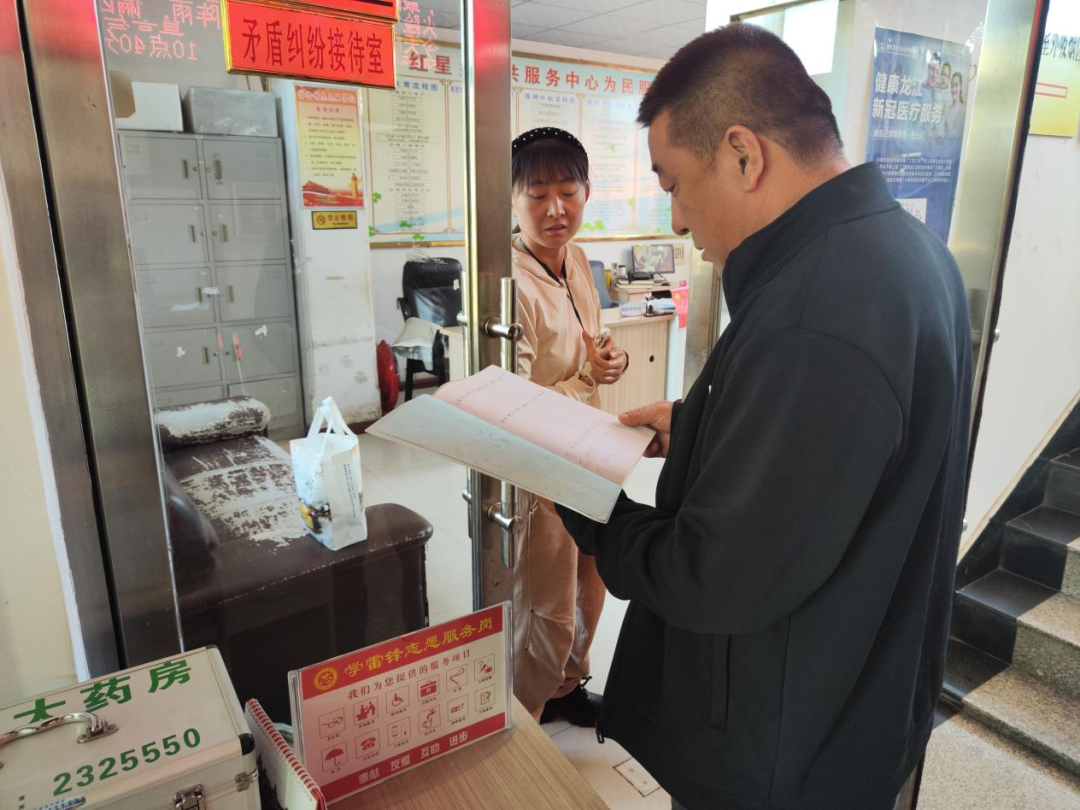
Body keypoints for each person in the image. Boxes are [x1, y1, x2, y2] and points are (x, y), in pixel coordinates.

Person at [555, 24, 971, 809]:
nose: (678, 222)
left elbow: (713, 577)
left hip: (783, 751)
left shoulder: (819, 310)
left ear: (744, 156)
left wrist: (590, 507)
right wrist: (704, 426)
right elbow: (845, 462)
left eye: (675, 184)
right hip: (854, 708)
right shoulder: (907, 253)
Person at [508, 127, 629, 727]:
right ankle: (525, 718)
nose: (556, 209)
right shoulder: (510, 285)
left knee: (592, 577)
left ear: (586, 192)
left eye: (568, 191)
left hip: (590, 449)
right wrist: (585, 379)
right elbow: (511, 405)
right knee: (547, 605)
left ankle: (568, 687)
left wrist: (609, 360)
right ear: (512, 201)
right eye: (537, 194)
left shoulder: (577, 259)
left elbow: (593, 342)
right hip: (541, 463)